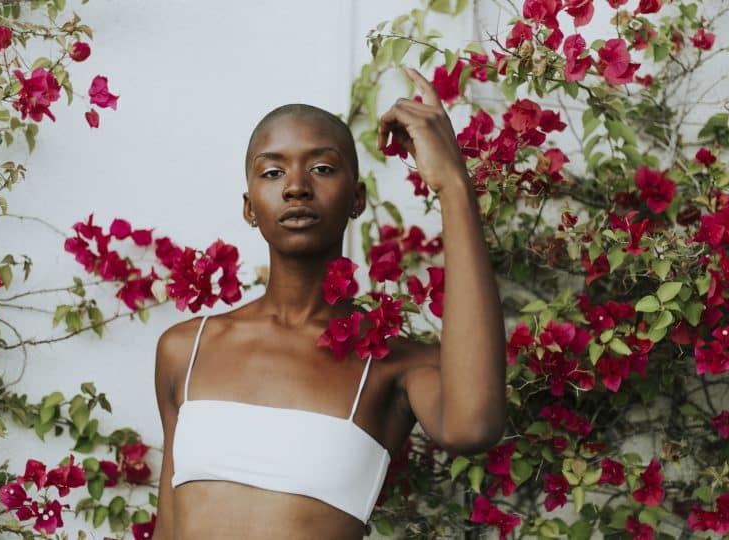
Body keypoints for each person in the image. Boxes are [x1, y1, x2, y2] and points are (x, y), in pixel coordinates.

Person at [152, 67, 506, 540]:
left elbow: (473, 427)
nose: (296, 186)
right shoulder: (185, 349)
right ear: (249, 207)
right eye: (273, 172)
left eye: (321, 168)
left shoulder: (391, 365)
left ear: (357, 199)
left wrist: (453, 187)